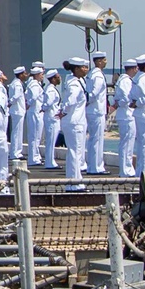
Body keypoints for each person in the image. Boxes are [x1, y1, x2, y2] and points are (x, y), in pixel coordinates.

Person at [59, 57, 89, 190]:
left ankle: (76, 181)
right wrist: (63, 112)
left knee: (75, 152)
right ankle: (74, 184)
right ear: (76, 69)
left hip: (75, 121)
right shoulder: (75, 85)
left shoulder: (74, 81)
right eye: (83, 67)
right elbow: (70, 102)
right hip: (75, 122)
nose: (85, 69)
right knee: (75, 152)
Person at [85, 50, 109, 175]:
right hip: (97, 111)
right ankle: (96, 167)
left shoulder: (90, 74)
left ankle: (92, 166)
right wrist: (88, 101)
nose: (106, 62)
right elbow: (94, 93)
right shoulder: (98, 75)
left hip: (92, 111)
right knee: (97, 139)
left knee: (93, 139)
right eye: (104, 60)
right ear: (99, 61)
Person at [114, 60, 138, 177]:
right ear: (133, 69)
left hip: (126, 115)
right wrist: (132, 102)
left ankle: (127, 168)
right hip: (127, 115)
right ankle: (125, 170)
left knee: (128, 144)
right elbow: (126, 98)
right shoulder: (126, 81)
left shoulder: (123, 80)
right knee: (127, 144)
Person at [25, 66, 45, 166]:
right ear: (37, 75)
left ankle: (35, 156)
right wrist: (28, 103)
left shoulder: (33, 84)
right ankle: (34, 158)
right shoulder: (34, 85)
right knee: (35, 135)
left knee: (35, 136)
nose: (42, 76)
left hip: (34, 111)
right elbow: (34, 97)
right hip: (35, 111)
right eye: (41, 74)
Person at [43, 69, 62, 168]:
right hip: (52, 117)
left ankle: (51, 161)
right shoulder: (50, 89)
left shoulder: (52, 88)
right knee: (51, 140)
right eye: (58, 77)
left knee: (52, 140)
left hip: (53, 117)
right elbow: (48, 103)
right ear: (53, 79)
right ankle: (49, 162)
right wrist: (43, 108)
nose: (60, 79)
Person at [8, 67, 27, 160]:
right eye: (24, 73)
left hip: (17, 110)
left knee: (17, 132)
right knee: (17, 132)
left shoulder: (16, 83)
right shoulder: (17, 84)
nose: (26, 75)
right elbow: (16, 96)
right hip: (18, 110)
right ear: (20, 75)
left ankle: (17, 151)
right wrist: (9, 103)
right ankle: (15, 152)